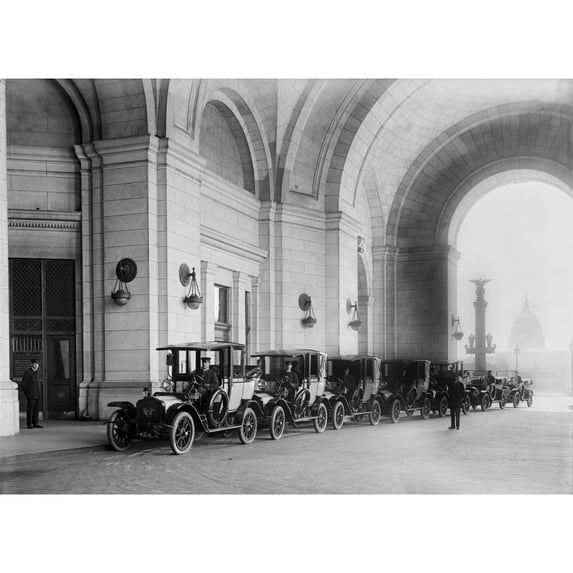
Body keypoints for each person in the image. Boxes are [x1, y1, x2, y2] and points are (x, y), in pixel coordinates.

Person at [21, 359, 42, 429]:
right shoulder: (28, 372)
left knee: (36, 410)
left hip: (37, 394)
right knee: (30, 410)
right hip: (31, 395)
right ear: (32, 364)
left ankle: (35, 423)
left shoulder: (37, 372)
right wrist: (27, 394)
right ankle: (29, 424)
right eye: (34, 364)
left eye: (37, 364)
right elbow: (23, 385)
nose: (36, 365)